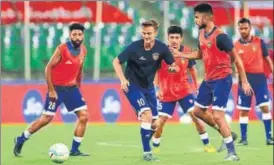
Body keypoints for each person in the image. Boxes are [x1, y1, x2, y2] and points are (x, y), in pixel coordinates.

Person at [170, 3, 253, 161]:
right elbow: (200, 54)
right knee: (197, 111)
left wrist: (244, 80)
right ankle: (227, 134)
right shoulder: (201, 33)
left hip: (222, 79)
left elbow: (236, 58)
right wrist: (181, 54)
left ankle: (232, 153)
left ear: (206, 17)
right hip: (209, 79)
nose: (195, 20)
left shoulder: (221, 36)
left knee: (218, 115)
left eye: (197, 17)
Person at [13, 23, 89, 157]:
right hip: (57, 88)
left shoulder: (83, 50)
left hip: (72, 89)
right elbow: (48, 68)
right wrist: (51, 90)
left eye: (80, 34)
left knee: (84, 116)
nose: (77, 37)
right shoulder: (62, 49)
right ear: (70, 35)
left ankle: (75, 150)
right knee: (46, 118)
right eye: (74, 34)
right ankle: (22, 138)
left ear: (83, 35)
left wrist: (78, 85)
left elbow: (79, 69)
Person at [112, 20, 177, 161]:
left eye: (149, 33)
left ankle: (141, 116)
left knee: (155, 123)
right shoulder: (134, 47)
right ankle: (147, 154)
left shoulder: (162, 48)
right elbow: (116, 61)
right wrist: (122, 79)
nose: (146, 36)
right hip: (132, 85)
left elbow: (173, 64)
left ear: (155, 33)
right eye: (144, 33)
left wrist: (172, 68)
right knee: (146, 115)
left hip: (149, 88)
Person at [152, 25, 216, 153]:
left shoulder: (186, 52)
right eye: (172, 37)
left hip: (184, 91)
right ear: (168, 38)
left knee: (196, 117)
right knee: (161, 122)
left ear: (181, 38)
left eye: (177, 37)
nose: (174, 40)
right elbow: (156, 71)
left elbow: (192, 69)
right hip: (167, 93)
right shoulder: (161, 53)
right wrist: (157, 88)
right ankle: (155, 147)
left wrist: (196, 86)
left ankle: (207, 144)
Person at [234, 18, 273, 145]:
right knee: (243, 110)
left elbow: (267, 59)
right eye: (241, 28)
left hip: (259, 79)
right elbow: (234, 63)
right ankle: (244, 139)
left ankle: (269, 137)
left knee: (265, 107)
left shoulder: (259, 42)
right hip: (244, 80)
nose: (243, 31)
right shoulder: (235, 45)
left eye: (245, 28)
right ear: (238, 29)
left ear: (250, 28)